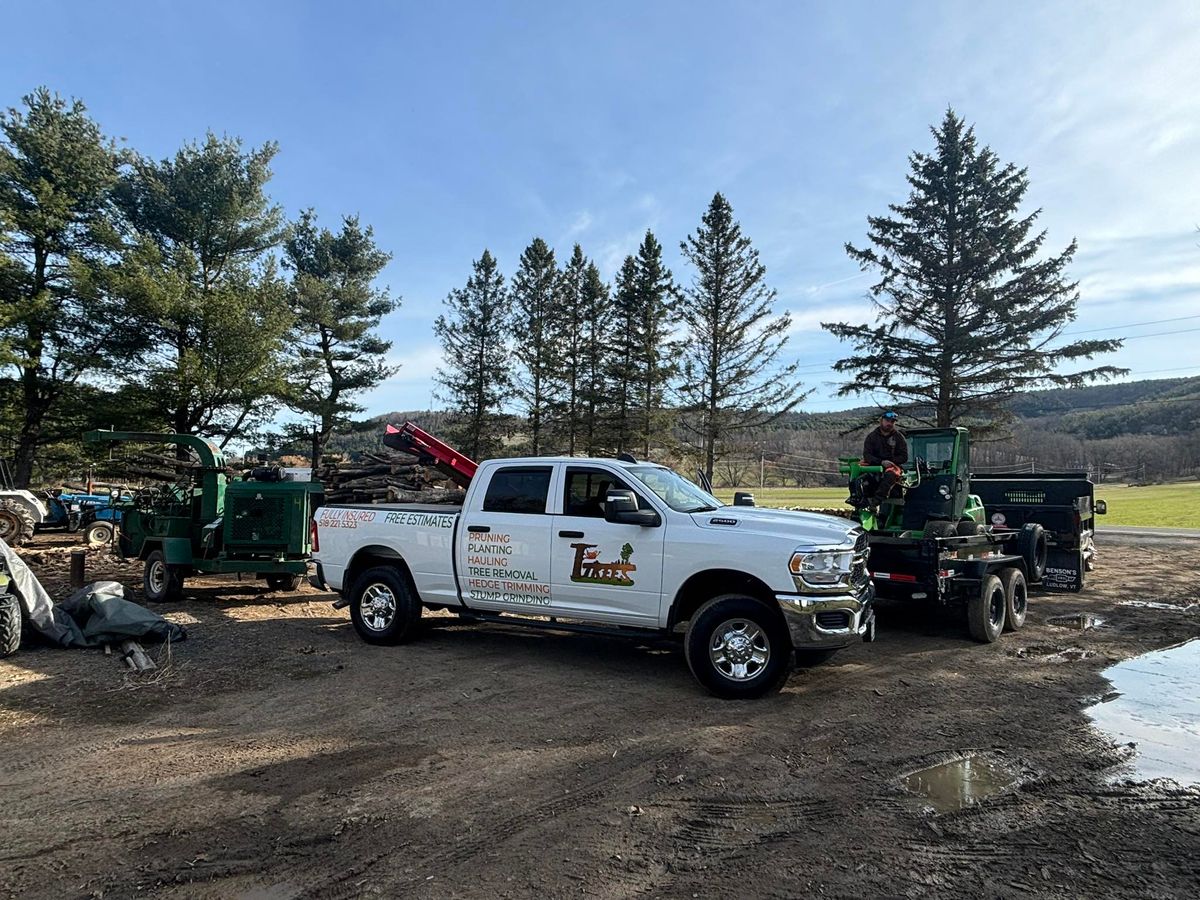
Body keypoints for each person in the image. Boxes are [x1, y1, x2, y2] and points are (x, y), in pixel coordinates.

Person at [863, 411, 908, 503]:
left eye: (892, 421)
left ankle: (877, 500)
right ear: (881, 421)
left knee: (891, 475)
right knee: (860, 475)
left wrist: (891, 462)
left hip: (892, 467)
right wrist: (881, 462)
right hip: (874, 466)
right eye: (887, 421)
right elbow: (867, 455)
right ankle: (858, 497)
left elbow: (904, 456)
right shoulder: (872, 437)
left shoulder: (899, 437)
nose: (889, 423)